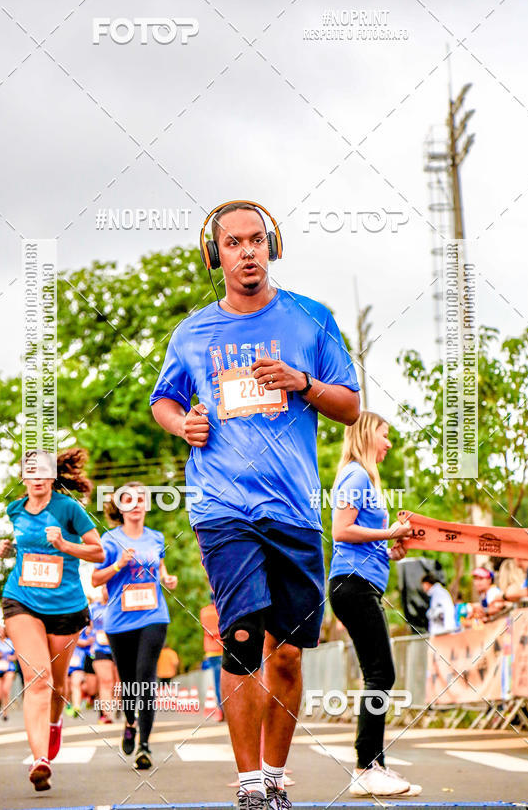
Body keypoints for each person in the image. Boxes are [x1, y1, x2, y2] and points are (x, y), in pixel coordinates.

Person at [150, 200, 361, 810]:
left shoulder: (310, 319)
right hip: (222, 504)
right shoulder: (192, 333)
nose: (248, 252)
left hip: (293, 507)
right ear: (215, 255)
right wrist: (181, 425)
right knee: (240, 632)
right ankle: (247, 784)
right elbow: (164, 401)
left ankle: (273, 771)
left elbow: (349, 405)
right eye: (234, 243)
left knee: (289, 653)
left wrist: (303, 383)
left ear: (272, 246)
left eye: (257, 240)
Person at [0, 448, 104, 793]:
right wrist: (9, 548)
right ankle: (40, 760)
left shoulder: (68, 508)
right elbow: (28, 546)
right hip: (21, 600)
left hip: (66, 607)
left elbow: (99, 551)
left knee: (56, 684)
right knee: (37, 677)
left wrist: (66, 545)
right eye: (31, 472)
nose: (38, 478)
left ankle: (55, 723)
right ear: (23, 477)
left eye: (44, 472)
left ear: (53, 476)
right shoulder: (15, 509)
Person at [328, 411, 422, 798]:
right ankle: (367, 767)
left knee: (379, 674)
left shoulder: (362, 478)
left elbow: (360, 539)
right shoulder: (356, 475)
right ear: (368, 435)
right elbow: (341, 530)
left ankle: (372, 764)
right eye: (385, 436)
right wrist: (389, 531)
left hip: (359, 583)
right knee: (380, 675)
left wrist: (390, 549)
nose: (388, 444)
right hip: (353, 586)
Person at [91, 481, 178, 770]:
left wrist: (167, 579)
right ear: (120, 507)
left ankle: (145, 745)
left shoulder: (156, 537)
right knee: (128, 682)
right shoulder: (109, 540)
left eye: (141, 498)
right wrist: (119, 565)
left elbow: (161, 566)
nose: (137, 503)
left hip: (154, 615)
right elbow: (95, 579)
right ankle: (129, 722)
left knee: (145, 677)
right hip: (118, 619)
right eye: (129, 499)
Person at [90, 587, 117, 724]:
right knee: (106, 681)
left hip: (118, 646)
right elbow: (86, 626)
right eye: (104, 587)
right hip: (100, 648)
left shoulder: (119, 603)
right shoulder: (94, 608)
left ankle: (120, 706)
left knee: (118, 683)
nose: (107, 590)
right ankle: (106, 714)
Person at [200, 598, 224, 721]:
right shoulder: (221, 609)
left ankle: (221, 710)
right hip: (225, 648)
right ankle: (230, 708)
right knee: (229, 680)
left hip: (212, 650)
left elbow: (205, 628)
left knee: (217, 682)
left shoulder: (204, 612)